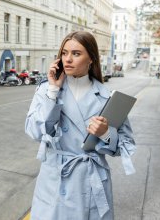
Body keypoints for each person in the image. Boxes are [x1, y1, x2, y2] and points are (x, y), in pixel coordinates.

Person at [25, 31, 136, 220]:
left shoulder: (107, 97)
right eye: (64, 53)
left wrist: (105, 134)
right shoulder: (47, 89)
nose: (68, 59)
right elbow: (34, 131)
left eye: (76, 54)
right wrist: (53, 92)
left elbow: (125, 145)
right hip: (55, 178)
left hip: (90, 180)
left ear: (91, 58)